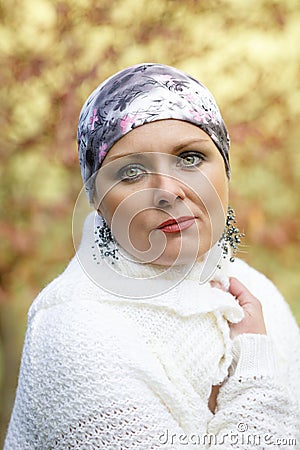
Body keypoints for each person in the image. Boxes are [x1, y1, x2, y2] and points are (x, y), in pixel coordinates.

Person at [4, 63, 299, 449]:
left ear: (226, 168)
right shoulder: (74, 330)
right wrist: (254, 372)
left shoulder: (251, 291)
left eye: (190, 158)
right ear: (96, 200)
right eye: (131, 172)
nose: (168, 191)